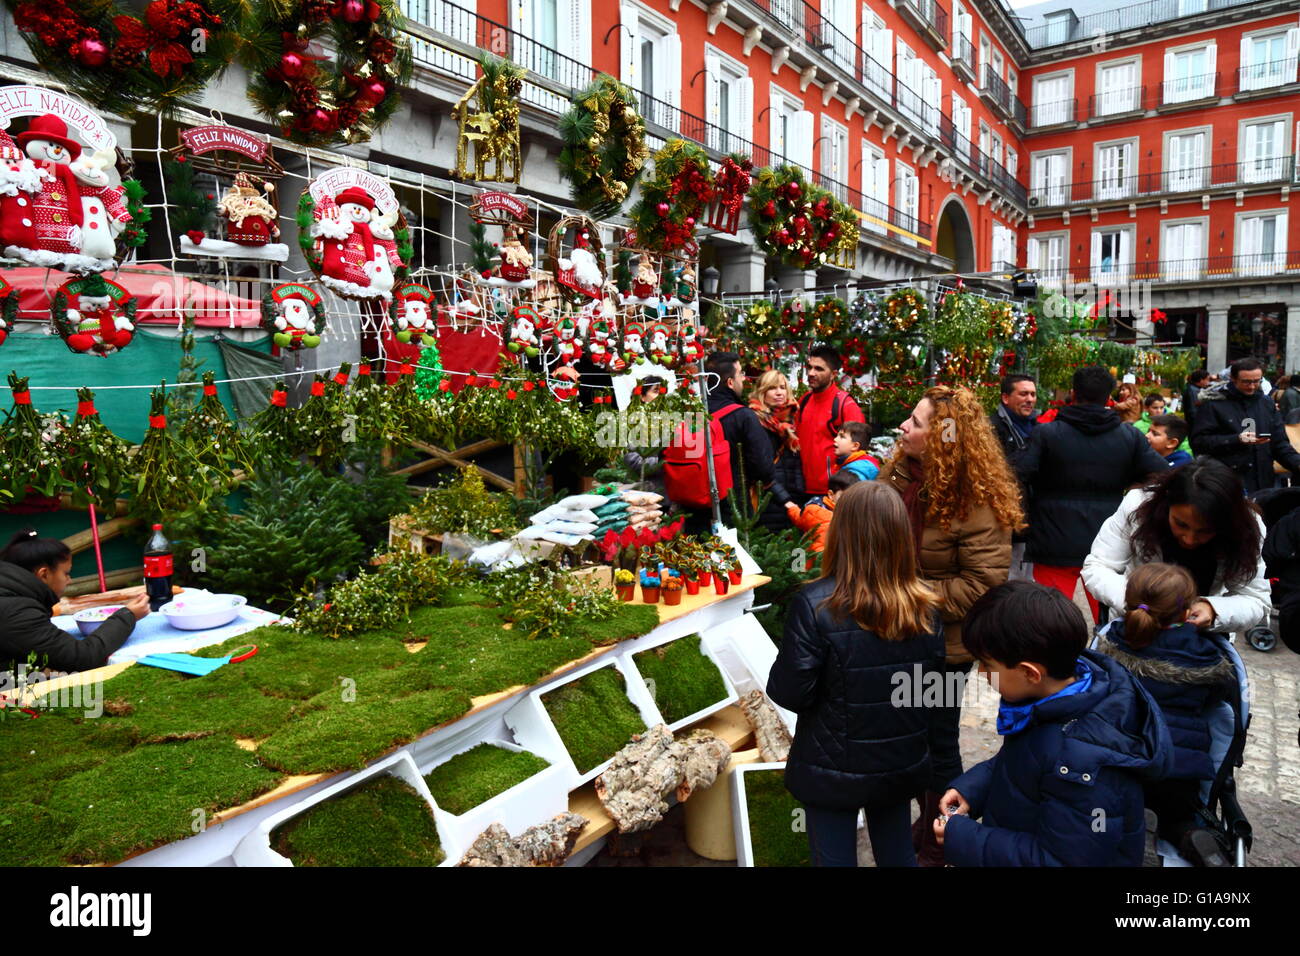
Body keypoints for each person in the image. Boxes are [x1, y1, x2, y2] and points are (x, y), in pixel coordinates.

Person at [767, 480, 947, 867]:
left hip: (832, 766)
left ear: (842, 534)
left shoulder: (815, 605)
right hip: (899, 761)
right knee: (897, 851)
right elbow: (931, 695)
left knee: (833, 858)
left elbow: (790, 692)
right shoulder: (925, 607)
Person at [879, 384, 1022, 865]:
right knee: (894, 736)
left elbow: (982, 584)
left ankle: (939, 839)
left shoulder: (975, 499)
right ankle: (901, 826)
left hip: (941, 647)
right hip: (889, 632)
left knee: (934, 743)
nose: (904, 428)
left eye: (915, 423)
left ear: (943, 437)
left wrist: (908, 597)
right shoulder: (901, 474)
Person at [931, 581, 1172, 867]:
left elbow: (1062, 861)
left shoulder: (1084, 765)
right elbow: (1021, 761)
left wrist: (964, 838)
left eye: (988, 665)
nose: (981, 673)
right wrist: (973, 788)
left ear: (1030, 673)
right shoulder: (1056, 699)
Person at [1094, 563, 1235, 867]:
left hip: (1118, 762)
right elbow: (1217, 697)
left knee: (1103, 811)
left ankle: (1102, 840)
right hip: (1176, 768)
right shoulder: (1204, 654)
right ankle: (1189, 834)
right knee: (1178, 816)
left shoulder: (1115, 640)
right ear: (1186, 613)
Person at [1016, 366, 1168, 622]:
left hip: (1053, 534)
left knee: (1051, 614)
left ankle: (1053, 658)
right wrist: (1132, 489)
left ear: (1073, 393)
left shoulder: (1047, 433)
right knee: (1108, 614)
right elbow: (1163, 475)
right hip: (1109, 537)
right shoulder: (1128, 436)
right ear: (1109, 397)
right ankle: (1105, 657)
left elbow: (1018, 473)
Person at [1080, 458, 1269, 633]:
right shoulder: (1137, 506)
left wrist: (1213, 610)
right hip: (1133, 628)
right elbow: (1098, 566)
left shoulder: (1247, 528)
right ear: (1167, 502)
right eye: (1181, 524)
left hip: (1200, 638)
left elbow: (1255, 598)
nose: (1189, 539)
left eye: (1205, 531)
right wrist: (1139, 601)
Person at [0, 529, 149, 673]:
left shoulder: (11, 595)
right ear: (44, 574)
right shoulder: (17, 612)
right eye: (66, 573)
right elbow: (82, 657)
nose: (69, 580)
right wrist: (128, 615)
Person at [690, 351, 791, 529]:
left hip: (692, 506)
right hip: (734, 510)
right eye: (741, 374)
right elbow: (764, 467)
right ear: (730, 382)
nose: (743, 379)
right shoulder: (743, 416)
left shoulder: (690, 413)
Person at [1190, 356, 1300, 494]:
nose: (1252, 386)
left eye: (1256, 381)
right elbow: (1198, 442)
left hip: (1263, 481)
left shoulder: (1266, 403)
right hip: (1226, 482)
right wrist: (1236, 439)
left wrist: (1297, 462)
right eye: (1246, 382)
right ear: (1233, 379)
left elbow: (1280, 444)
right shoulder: (1213, 404)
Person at [794, 344, 865, 499]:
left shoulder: (846, 405)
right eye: (809, 367)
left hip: (830, 493)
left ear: (833, 374)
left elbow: (858, 454)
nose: (811, 373)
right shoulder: (804, 400)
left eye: (819, 369)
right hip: (801, 489)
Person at [989, 374, 1038, 582]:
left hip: (1031, 518)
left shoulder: (1037, 428)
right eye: (1023, 393)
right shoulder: (991, 428)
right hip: (1004, 520)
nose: (1030, 399)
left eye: (1033, 394)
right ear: (1006, 398)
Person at [748, 369, 805, 530]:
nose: (779, 393)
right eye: (773, 388)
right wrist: (785, 499)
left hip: (791, 497)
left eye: (782, 387)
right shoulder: (755, 421)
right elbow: (760, 469)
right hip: (769, 500)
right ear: (762, 392)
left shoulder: (790, 420)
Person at [784, 469, 860, 555]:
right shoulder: (826, 518)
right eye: (844, 497)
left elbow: (801, 518)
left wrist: (793, 509)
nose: (849, 501)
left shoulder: (815, 507)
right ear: (831, 495)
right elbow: (821, 551)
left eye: (852, 497)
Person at [622, 375, 665, 495]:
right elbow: (633, 460)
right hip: (648, 492)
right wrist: (665, 462)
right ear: (642, 397)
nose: (662, 395)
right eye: (656, 391)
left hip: (673, 490)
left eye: (663, 391)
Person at [1182, 369, 1210, 434]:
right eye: (1207, 379)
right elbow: (1193, 411)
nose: (1208, 382)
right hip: (1194, 426)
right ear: (1201, 380)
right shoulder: (1193, 391)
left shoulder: (1194, 389)